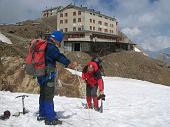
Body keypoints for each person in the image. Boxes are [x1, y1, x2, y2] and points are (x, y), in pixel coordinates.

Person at [36, 31, 76, 125]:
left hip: (39, 73)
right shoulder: (51, 47)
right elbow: (58, 56)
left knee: (43, 94)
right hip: (48, 74)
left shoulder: (43, 45)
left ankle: (42, 114)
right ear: (56, 39)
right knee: (49, 96)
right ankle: (50, 118)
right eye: (60, 41)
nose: (59, 43)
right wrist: (69, 63)